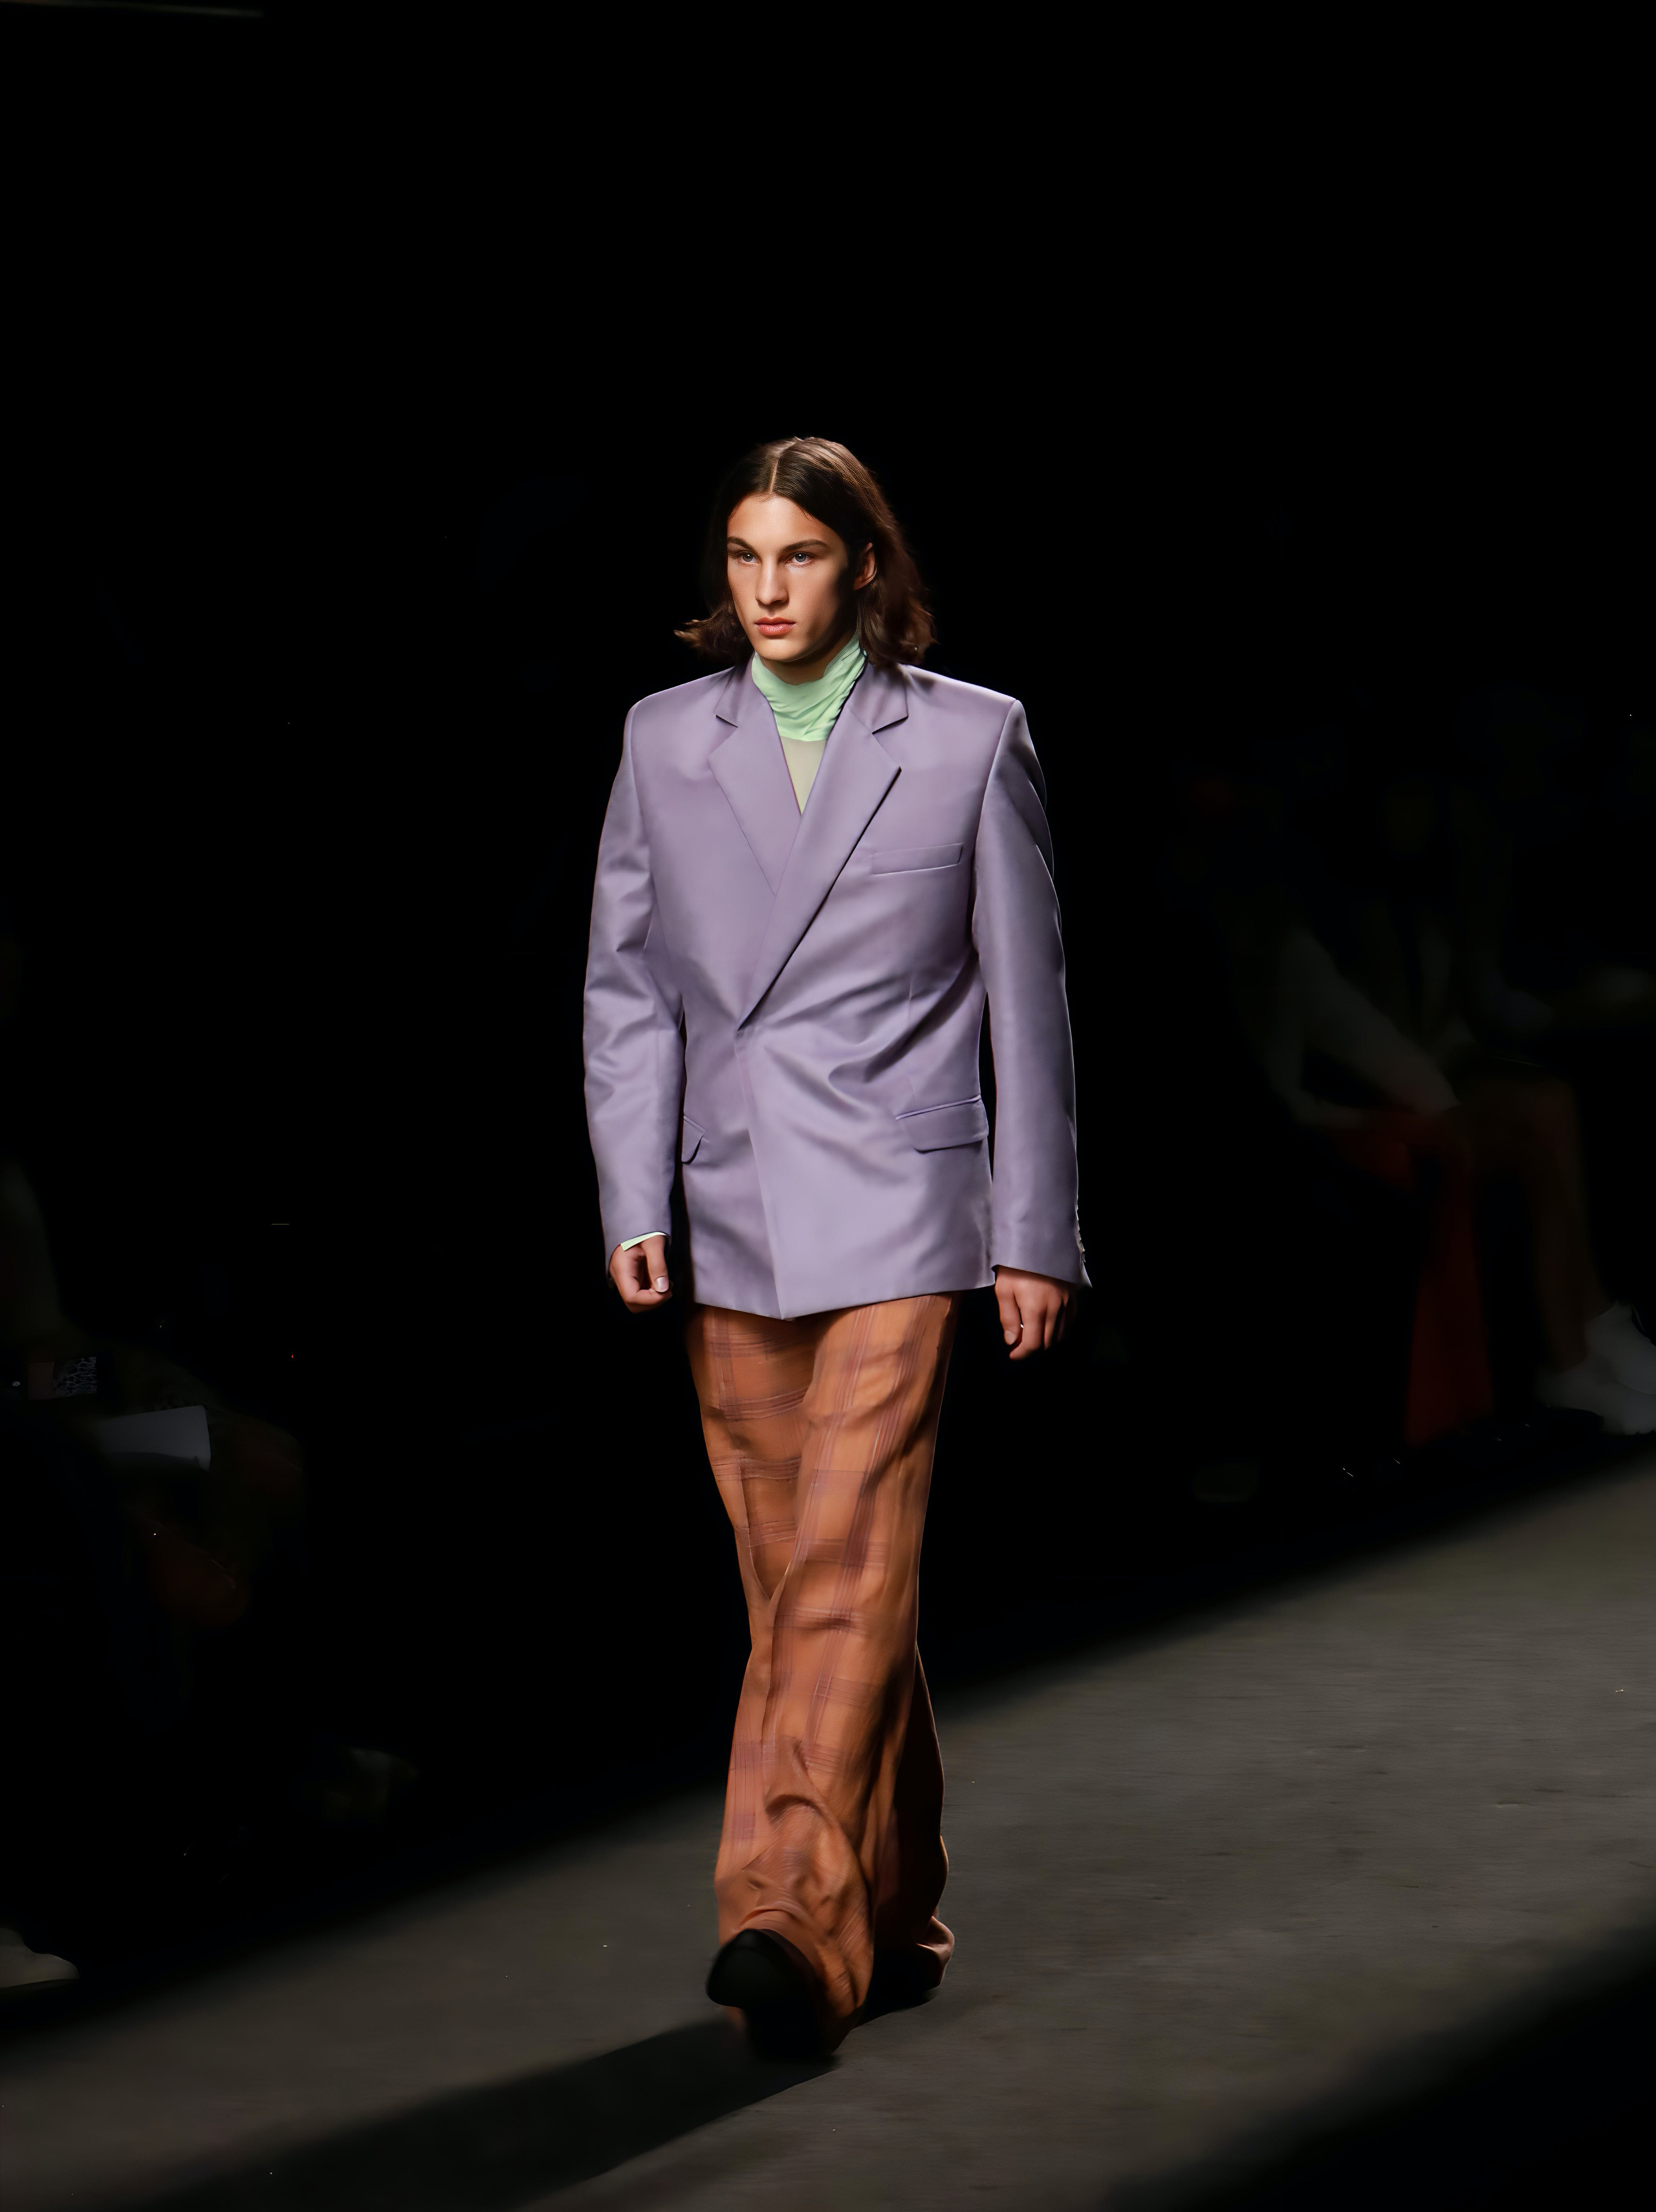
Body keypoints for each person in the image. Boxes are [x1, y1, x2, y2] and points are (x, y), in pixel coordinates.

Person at [582, 437, 1086, 2058]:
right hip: (730, 1202)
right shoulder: (666, 739)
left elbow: (1026, 1003)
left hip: (899, 1206)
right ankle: (895, 1901)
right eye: (743, 557)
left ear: (863, 564)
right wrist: (632, 1193)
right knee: (802, 1585)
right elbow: (626, 983)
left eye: (797, 555)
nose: (768, 588)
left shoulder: (967, 737)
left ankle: (784, 1916)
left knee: (846, 1555)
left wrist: (1032, 1234)